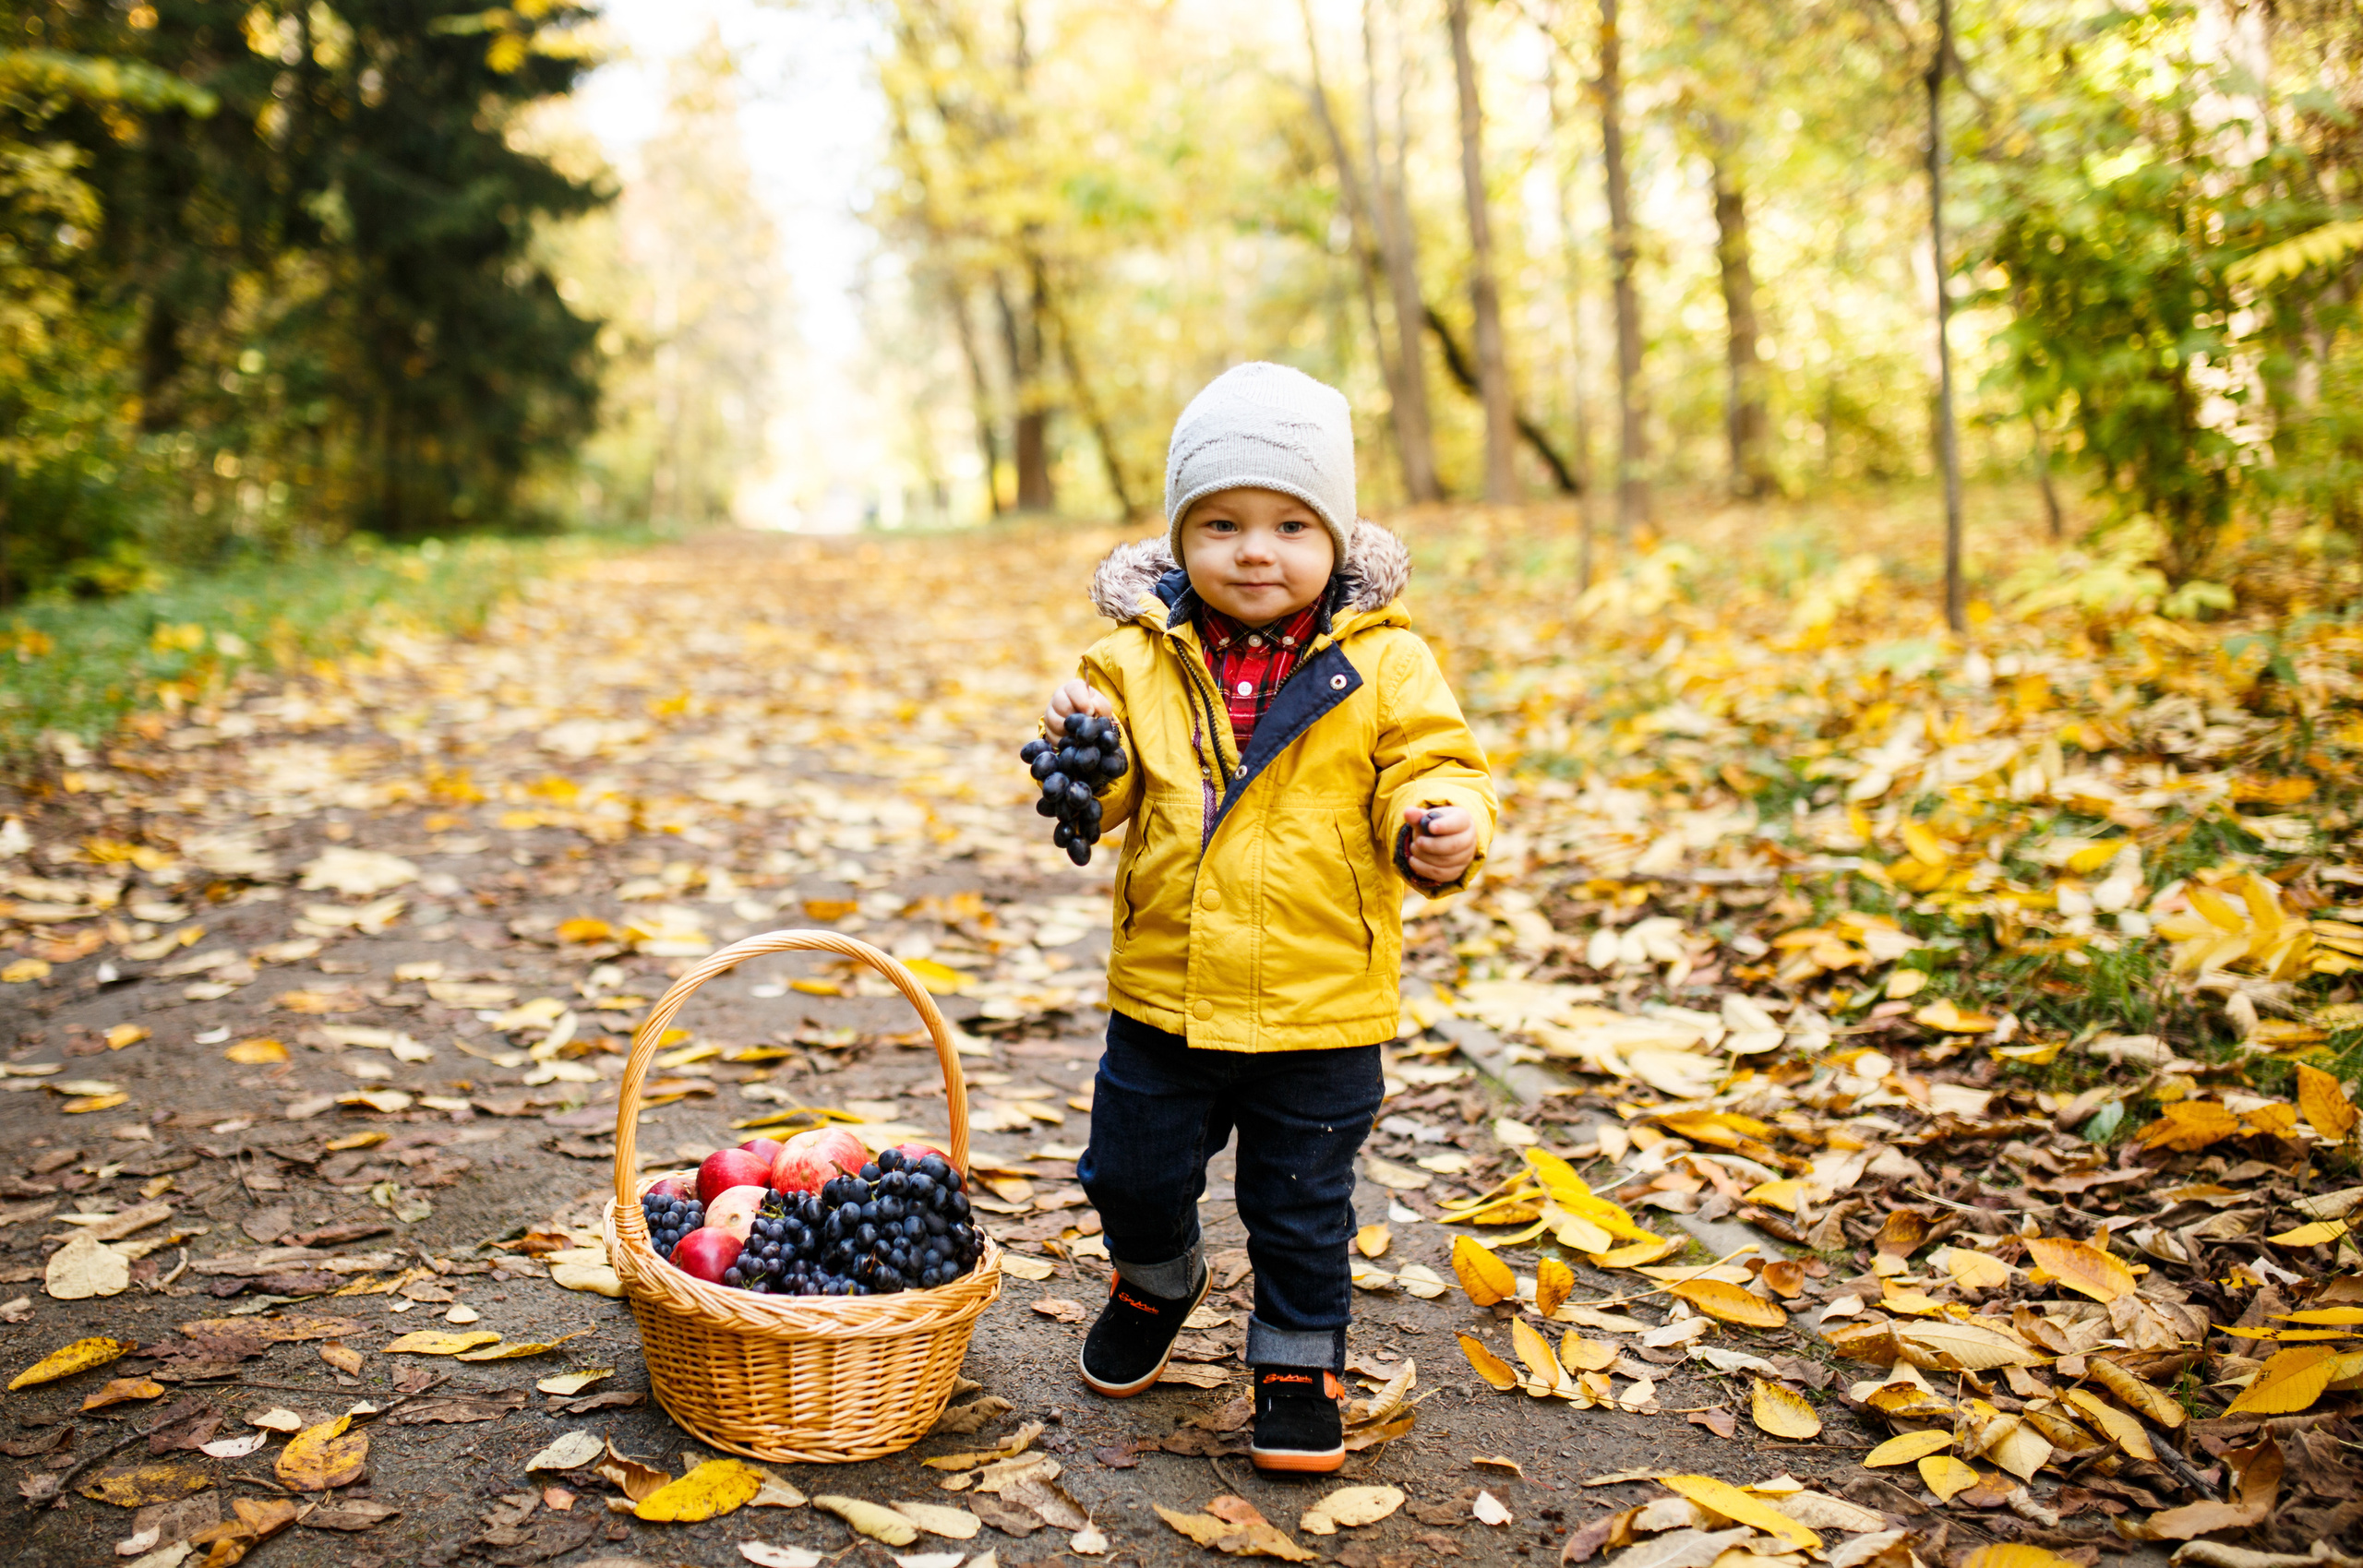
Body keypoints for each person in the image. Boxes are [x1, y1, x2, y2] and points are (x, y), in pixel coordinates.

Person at [1041, 361, 1498, 1473]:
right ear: (1180, 537)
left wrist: (1440, 821)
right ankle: (1156, 1275)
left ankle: (1297, 1357)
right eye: (1224, 523)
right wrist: (1077, 757)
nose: (1257, 550)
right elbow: (1103, 806)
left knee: (1301, 1205)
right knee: (1129, 1171)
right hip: (1166, 989)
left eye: (1292, 523)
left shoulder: (1384, 663)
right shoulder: (1131, 658)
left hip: (1322, 1001)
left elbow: (1432, 764)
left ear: (1336, 539)